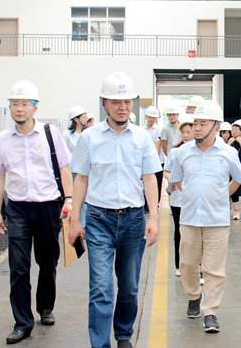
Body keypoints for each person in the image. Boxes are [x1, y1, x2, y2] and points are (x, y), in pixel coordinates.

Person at [68, 72, 162, 348]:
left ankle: (123, 334)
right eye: (116, 102)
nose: (123, 107)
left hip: (133, 220)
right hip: (99, 219)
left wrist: (153, 218)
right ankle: (100, 344)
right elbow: (81, 179)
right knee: (100, 287)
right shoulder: (89, 138)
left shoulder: (141, 137)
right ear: (104, 103)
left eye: (127, 102)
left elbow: (149, 178)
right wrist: (75, 220)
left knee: (129, 286)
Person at [0, 80, 74, 345]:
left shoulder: (50, 133)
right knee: (18, 266)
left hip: (48, 206)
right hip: (17, 208)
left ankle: (45, 307)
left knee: (47, 262)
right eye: (14, 104)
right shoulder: (2, 140)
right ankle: (22, 323)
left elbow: (64, 168)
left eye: (25, 104)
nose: (19, 108)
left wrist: (69, 199)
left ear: (35, 108)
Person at [170, 101, 241, 333]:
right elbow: (176, 178)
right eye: (196, 123)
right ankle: (194, 296)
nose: (197, 128)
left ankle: (210, 311)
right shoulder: (183, 152)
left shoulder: (228, 153)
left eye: (203, 124)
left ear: (216, 127)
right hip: (189, 218)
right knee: (187, 264)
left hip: (217, 221)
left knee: (214, 268)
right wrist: (190, 193)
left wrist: (222, 195)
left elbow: (238, 179)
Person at [163, 114, 194, 277]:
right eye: (183, 132)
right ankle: (179, 264)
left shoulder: (200, 151)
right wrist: (173, 179)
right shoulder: (174, 152)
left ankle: (196, 265)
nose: (186, 135)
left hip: (195, 199)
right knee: (179, 232)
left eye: (189, 132)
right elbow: (166, 171)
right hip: (178, 200)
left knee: (195, 233)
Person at [143, 105, 164, 207]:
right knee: (145, 182)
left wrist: (153, 160)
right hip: (145, 161)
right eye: (150, 117)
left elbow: (158, 145)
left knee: (157, 183)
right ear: (146, 117)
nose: (152, 119)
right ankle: (146, 203)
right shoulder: (142, 130)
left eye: (154, 117)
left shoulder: (159, 130)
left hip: (158, 161)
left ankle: (155, 203)